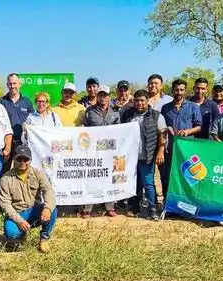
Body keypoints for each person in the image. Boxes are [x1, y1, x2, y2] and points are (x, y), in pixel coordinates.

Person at [0, 145, 57, 253]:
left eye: (26, 159)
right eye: (19, 159)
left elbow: (48, 191)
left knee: (52, 209)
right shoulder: (5, 179)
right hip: (16, 214)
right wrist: (20, 221)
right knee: (11, 233)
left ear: (30, 160)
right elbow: (5, 204)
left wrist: (47, 208)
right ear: (14, 159)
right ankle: (21, 235)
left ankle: (44, 238)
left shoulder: (38, 173)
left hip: (34, 210)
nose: (22, 162)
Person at [121, 89, 167, 220]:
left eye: (142, 100)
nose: (139, 103)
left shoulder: (156, 116)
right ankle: (135, 207)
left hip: (148, 156)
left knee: (148, 183)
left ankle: (152, 210)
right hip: (131, 157)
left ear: (147, 101)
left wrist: (160, 151)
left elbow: (162, 134)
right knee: (134, 184)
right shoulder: (128, 115)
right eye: (137, 100)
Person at [81, 85, 121, 218]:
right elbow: (84, 129)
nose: (103, 97)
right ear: (97, 96)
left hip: (110, 152)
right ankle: (88, 207)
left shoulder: (115, 112)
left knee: (109, 177)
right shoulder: (90, 111)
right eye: (100, 95)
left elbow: (120, 131)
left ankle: (110, 206)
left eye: (105, 95)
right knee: (93, 177)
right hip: (94, 151)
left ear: (109, 96)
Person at [160, 79, 201, 204]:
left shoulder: (193, 107)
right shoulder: (165, 108)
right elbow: (162, 127)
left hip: (187, 150)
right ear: (172, 91)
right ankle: (169, 204)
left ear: (185, 91)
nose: (179, 92)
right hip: (170, 149)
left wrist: (188, 131)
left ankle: (186, 204)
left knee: (187, 177)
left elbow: (199, 126)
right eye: (176, 90)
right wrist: (168, 128)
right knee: (168, 177)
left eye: (181, 90)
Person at [0, 73, 34, 146]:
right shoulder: (1, 102)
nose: (12, 86)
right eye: (10, 84)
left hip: (24, 142)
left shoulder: (27, 101)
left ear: (19, 84)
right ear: (7, 85)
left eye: (14, 83)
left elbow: (33, 120)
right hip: (6, 142)